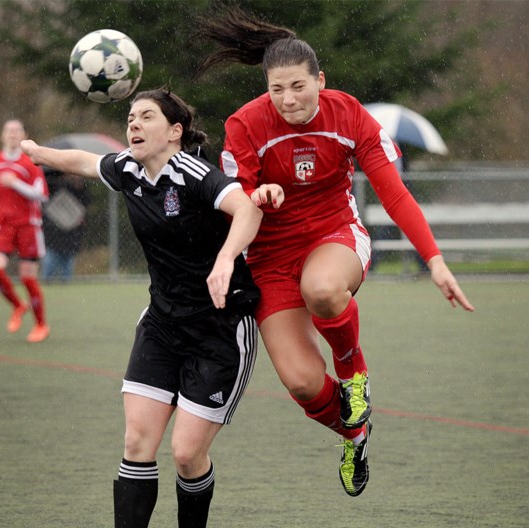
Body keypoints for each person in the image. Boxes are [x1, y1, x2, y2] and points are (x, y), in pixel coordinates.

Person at [193, 8, 475, 498]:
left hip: (334, 235)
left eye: (299, 86)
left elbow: (395, 194)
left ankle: (354, 374)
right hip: (270, 258)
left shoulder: (348, 113)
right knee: (302, 383)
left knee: (322, 289)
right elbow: (240, 200)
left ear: (319, 80)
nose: (288, 99)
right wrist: (257, 197)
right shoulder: (245, 124)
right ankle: (355, 434)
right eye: (276, 89)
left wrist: (434, 260)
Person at [19, 88, 265, 528]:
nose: (134, 124)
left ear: (173, 132)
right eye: (130, 117)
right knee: (136, 444)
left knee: (186, 453)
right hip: (161, 325)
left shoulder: (194, 175)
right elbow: (85, 161)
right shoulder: (129, 170)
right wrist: (39, 153)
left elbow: (246, 209)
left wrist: (224, 261)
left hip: (219, 330)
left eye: (146, 117)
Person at [0, 118, 51, 343]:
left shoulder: (31, 163)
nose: (13, 134)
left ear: (23, 135)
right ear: (3, 136)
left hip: (28, 225)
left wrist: (15, 183)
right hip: (3, 224)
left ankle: (41, 325)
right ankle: (18, 305)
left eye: (17, 131)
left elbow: (41, 194)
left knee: (27, 278)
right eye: (9, 130)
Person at [40, 171, 89, 283]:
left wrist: (78, 184)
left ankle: (65, 281)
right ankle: (47, 281)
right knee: (49, 261)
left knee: (67, 261)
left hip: (71, 233)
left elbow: (85, 203)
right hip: (52, 232)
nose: (74, 176)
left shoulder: (80, 189)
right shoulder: (53, 183)